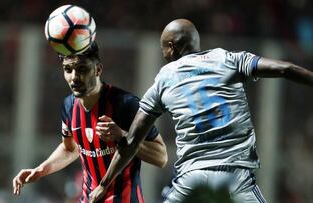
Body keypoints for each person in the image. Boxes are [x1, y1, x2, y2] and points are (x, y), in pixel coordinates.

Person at [89, 18, 313, 203]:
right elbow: (286, 69)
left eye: (163, 49)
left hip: (191, 178)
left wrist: (103, 184)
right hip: (235, 176)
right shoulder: (228, 59)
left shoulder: (164, 78)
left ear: (171, 47)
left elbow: (132, 143)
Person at [12, 41, 168, 202]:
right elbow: (69, 149)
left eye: (82, 69)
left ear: (98, 69)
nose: (74, 77)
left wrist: (122, 136)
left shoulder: (126, 104)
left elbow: (161, 157)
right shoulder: (68, 106)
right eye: (68, 70)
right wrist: (41, 170)